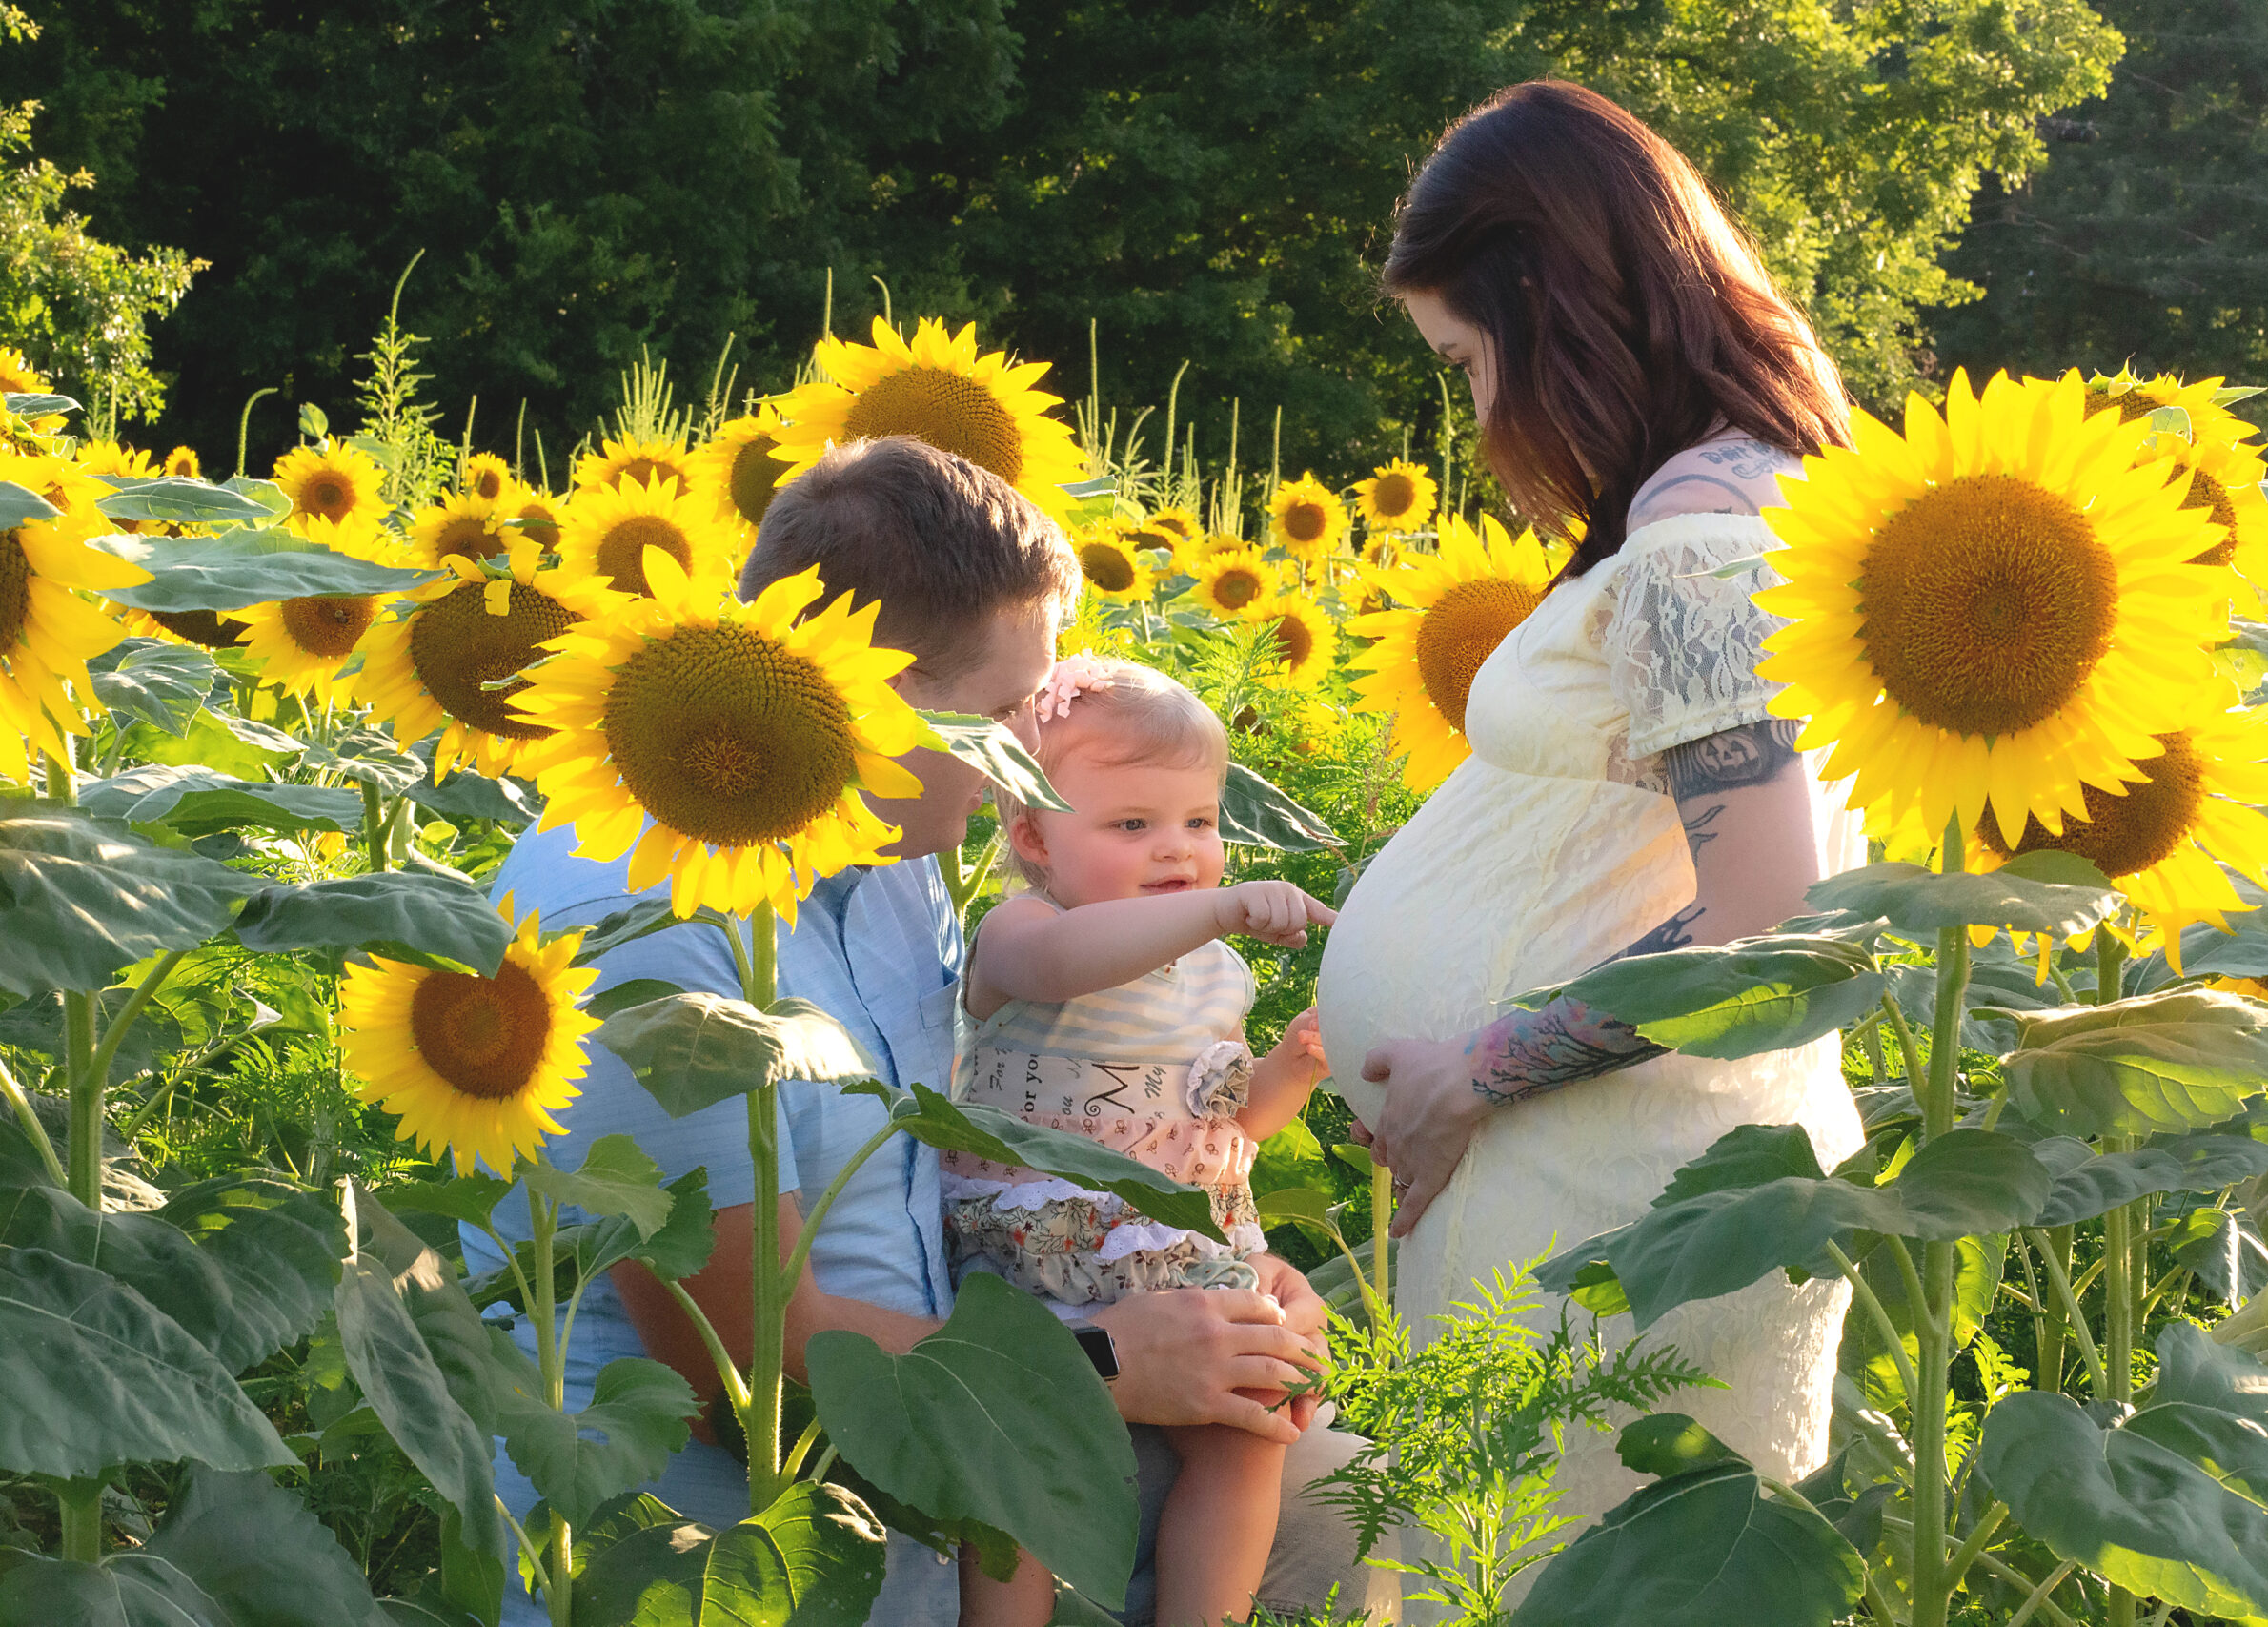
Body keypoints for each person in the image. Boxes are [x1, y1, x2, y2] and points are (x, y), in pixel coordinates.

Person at [465, 436, 1395, 1625]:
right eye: (1008, 714)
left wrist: (1214, 1295)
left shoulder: (887, 855)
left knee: (1377, 1522)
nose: (1025, 773)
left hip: (966, 1474)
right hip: (741, 1550)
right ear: (875, 689)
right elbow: (728, 1376)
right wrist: (1110, 1366)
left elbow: (993, 1148)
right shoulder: (640, 919)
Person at [1314, 78, 1865, 1535]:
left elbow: (1766, 918)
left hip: (1600, 1188)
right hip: (1594, 1172)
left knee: (1547, 1565)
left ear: (1552, 311)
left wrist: (1475, 1066)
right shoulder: (1734, 493)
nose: (1482, 409)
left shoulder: (1699, 538)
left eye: (1466, 357)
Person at [948, 653, 1335, 1627]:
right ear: (1033, 835)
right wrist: (1211, 908)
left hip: (1176, 1240)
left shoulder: (1212, 974)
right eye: (1133, 825)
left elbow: (1217, 1131)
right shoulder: (1024, 929)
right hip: (1051, 1246)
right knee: (1029, 1438)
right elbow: (1059, 971)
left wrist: (1291, 1069)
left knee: (1253, 1428)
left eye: (1199, 824)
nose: (1178, 850)